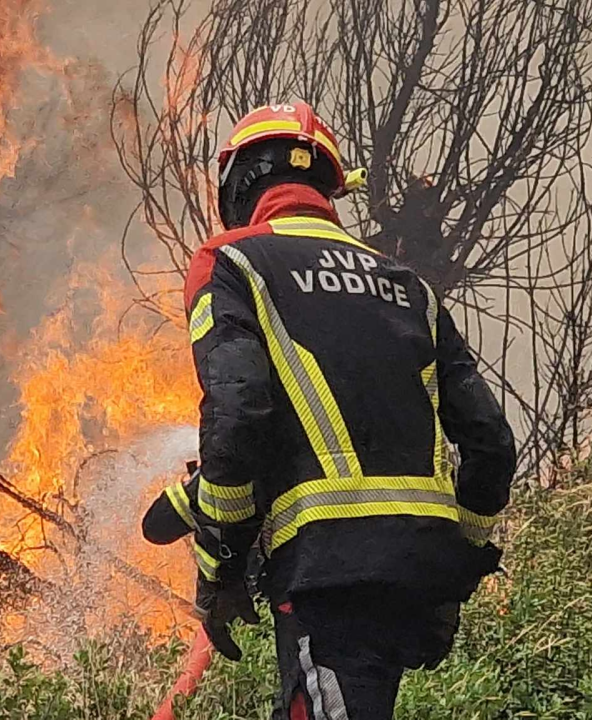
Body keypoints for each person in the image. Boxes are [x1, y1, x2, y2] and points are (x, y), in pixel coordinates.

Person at [176, 101, 516, 720]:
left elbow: (239, 412)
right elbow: (491, 442)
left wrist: (219, 561)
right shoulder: (409, 286)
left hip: (326, 573)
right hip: (417, 565)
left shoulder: (232, 261)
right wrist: (456, 567)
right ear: (328, 185)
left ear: (240, 181)